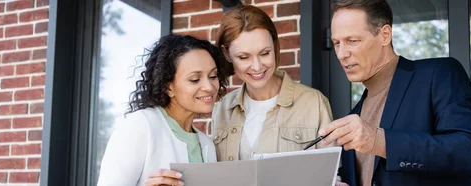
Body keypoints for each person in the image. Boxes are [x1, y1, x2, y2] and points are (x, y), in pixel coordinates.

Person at [318, 0, 471, 186]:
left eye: (353, 41)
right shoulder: (353, 117)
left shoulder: (438, 75)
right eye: (336, 43)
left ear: (385, 35)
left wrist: (381, 141)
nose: (342, 54)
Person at [96, 34, 230, 186]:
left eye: (213, 76)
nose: (209, 87)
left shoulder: (207, 145)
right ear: (168, 87)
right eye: (195, 79)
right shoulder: (140, 126)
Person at [212, 5, 334, 162]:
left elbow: (330, 172)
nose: (257, 66)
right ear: (227, 53)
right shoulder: (222, 108)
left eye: (264, 53)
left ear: (275, 46)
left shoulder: (313, 103)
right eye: (244, 57)